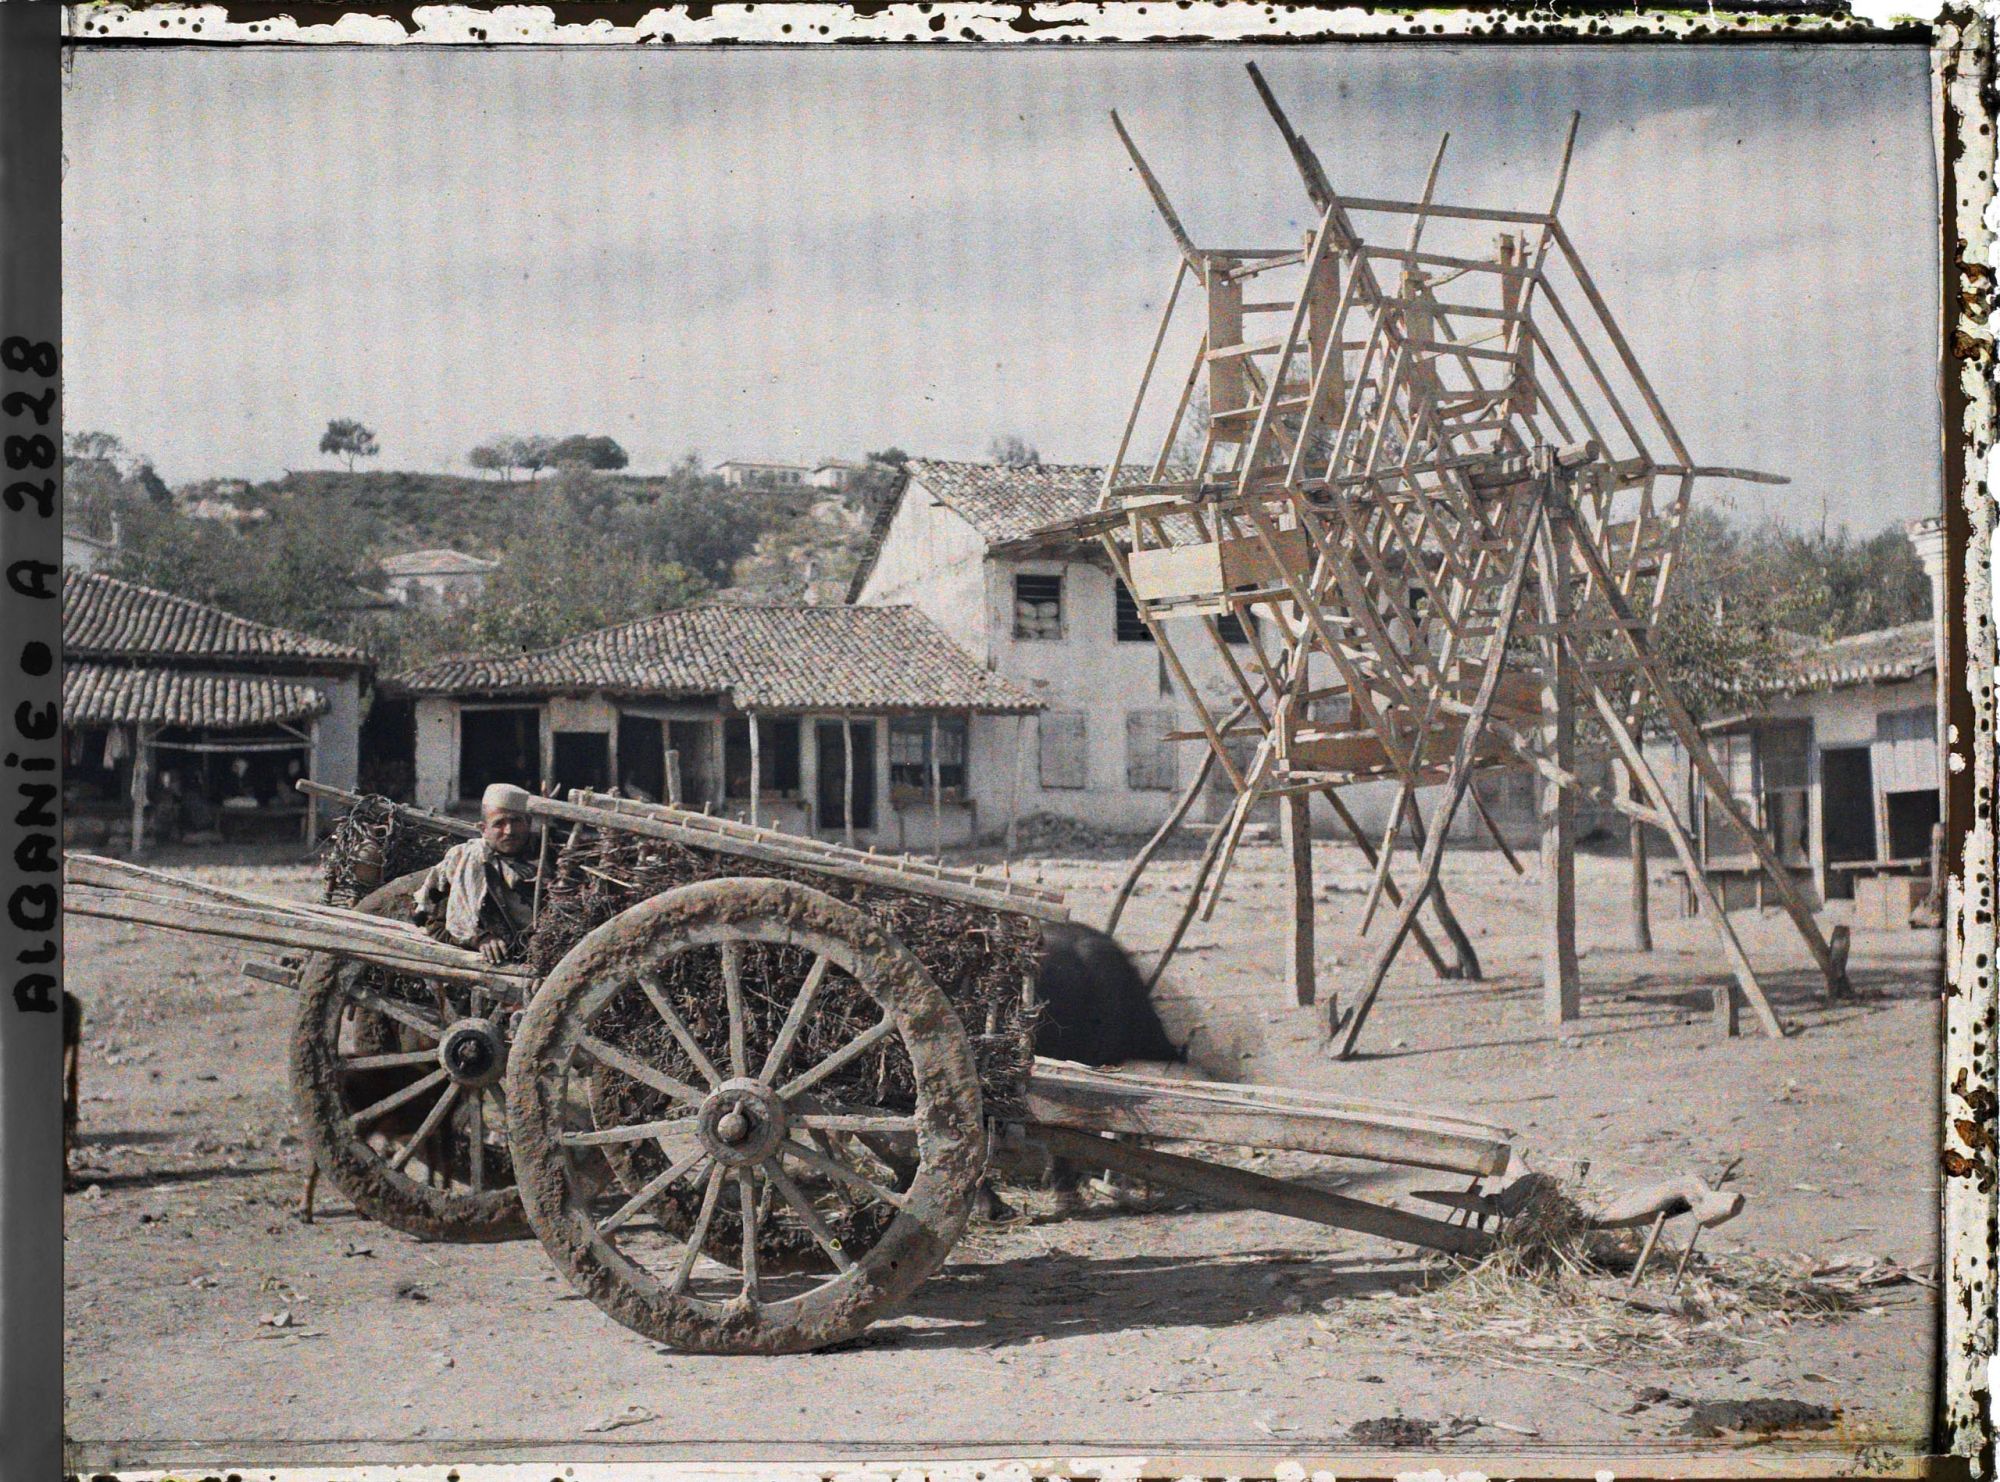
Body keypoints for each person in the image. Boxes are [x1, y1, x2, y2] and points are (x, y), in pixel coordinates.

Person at [413, 782, 538, 964]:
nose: (509, 831)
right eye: (499, 824)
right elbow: (438, 925)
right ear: (482, 829)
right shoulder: (466, 863)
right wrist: (479, 939)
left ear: (528, 823)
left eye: (516, 821)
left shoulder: (550, 858)